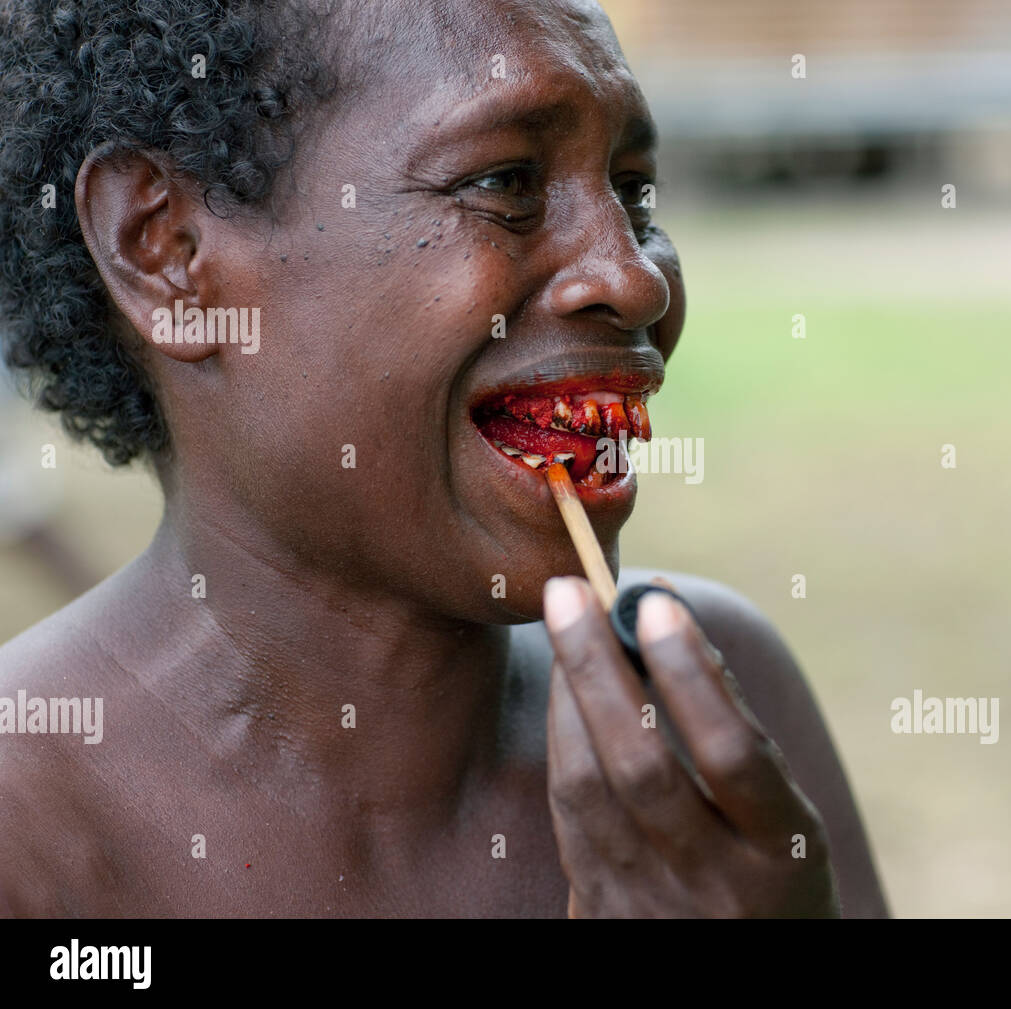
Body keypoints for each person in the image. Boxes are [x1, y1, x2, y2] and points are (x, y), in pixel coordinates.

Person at [0, 0, 887, 917]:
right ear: (166, 253)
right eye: (505, 181)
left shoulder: (709, 715)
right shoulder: (25, 829)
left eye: (634, 192)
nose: (633, 277)